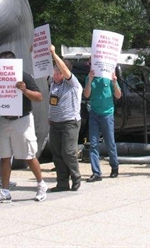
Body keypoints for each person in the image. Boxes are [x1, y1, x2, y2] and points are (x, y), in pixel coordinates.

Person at [0, 51, 47, 203]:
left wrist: (25, 90)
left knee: (28, 156)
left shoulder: (24, 76)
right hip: (4, 120)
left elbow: (39, 97)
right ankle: (5, 191)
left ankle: (41, 184)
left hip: (22, 120)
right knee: (4, 157)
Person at [48, 44, 83, 192]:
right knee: (57, 154)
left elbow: (64, 69)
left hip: (69, 122)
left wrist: (54, 54)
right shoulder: (52, 83)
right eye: (54, 73)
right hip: (55, 123)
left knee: (68, 152)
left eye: (58, 73)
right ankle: (62, 183)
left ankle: (76, 177)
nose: (55, 76)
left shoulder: (72, 83)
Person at [84, 67, 122, 182]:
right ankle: (96, 173)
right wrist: (89, 81)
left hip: (107, 114)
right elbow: (86, 95)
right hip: (94, 113)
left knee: (110, 142)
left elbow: (118, 95)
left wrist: (114, 82)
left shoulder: (108, 76)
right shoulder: (89, 77)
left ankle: (114, 166)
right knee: (93, 143)